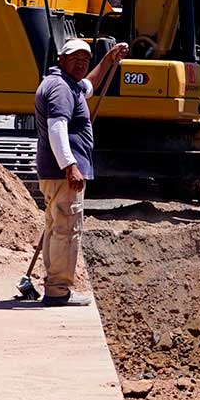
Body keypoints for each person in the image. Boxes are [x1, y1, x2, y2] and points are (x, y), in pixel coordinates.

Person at [34, 38, 127, 307]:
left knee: (55, 226)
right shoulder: (61, 89)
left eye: (85, 60)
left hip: (55, 172)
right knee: (66, 229)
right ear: (61, 59)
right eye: (75, 58)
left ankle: (54, 284)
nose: (81, 63)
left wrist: (108, 60)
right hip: (63, 173)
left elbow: (91, 85)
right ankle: (57, 291)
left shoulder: (69, 84)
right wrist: (70, 166)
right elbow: (56, 128)